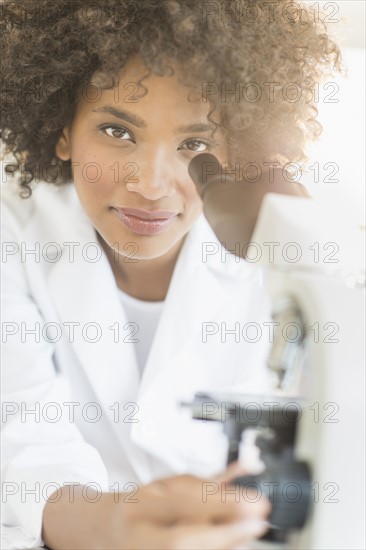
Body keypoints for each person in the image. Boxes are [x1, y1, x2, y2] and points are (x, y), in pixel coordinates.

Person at [0, 1, 341, 549]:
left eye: (195, 145)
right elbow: (26, 446)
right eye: (117, 130)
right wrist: (116, 526)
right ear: (61, 129)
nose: (152, 183)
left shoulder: (284, 243)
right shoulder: (12, 231)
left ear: (237, 151)